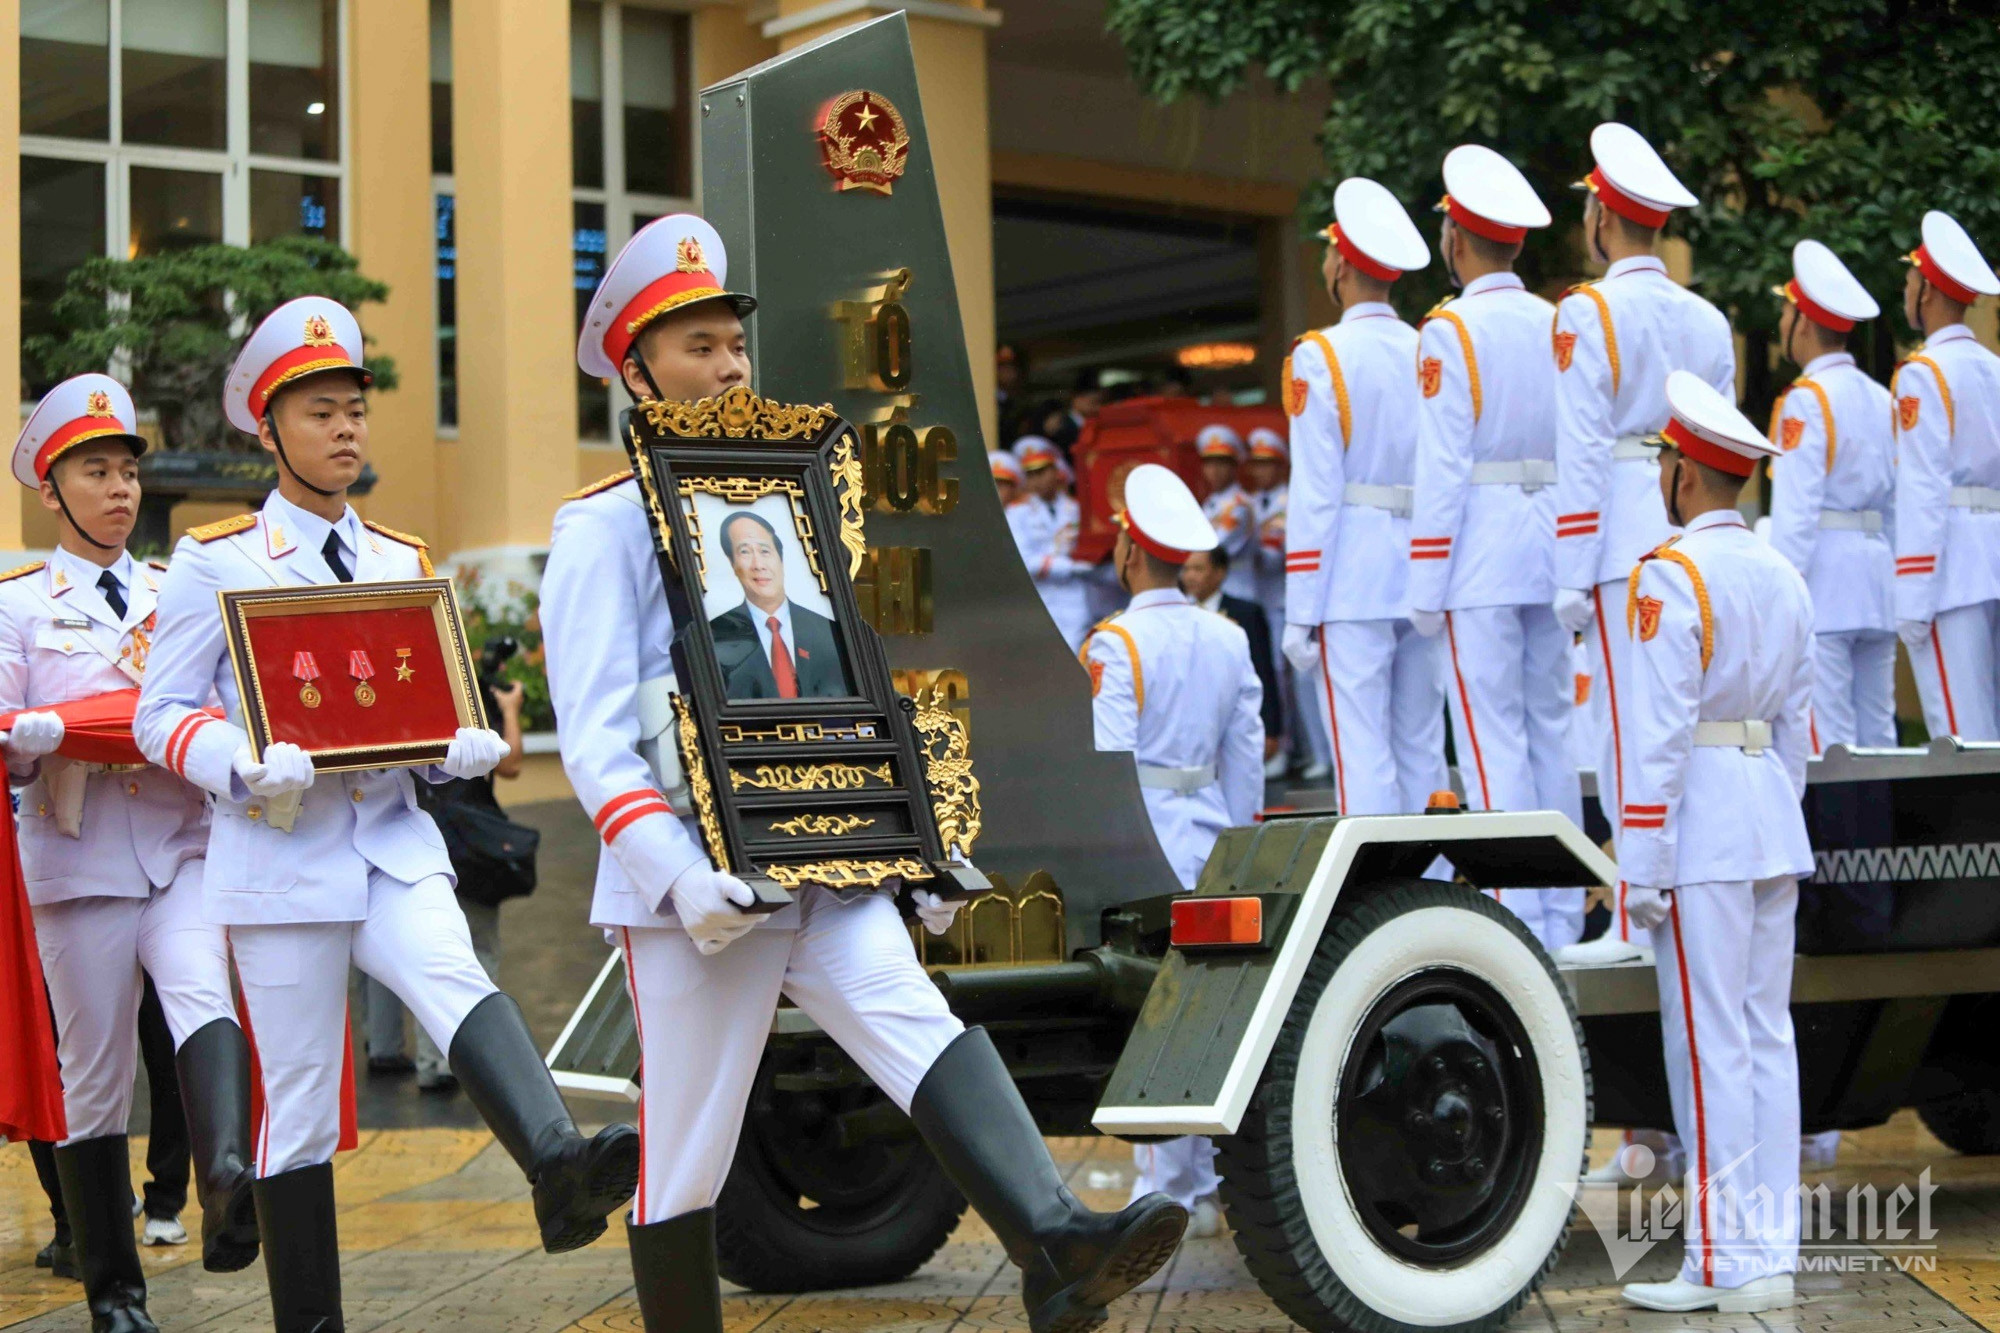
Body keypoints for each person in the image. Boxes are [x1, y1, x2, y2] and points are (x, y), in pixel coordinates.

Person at [550, 213, 1187, 1333]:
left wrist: (912, 844)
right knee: (688, 1147)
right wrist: (673, 871)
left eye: (732, 342)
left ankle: (1052, 1243)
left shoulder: (789, 513)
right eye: (695, 345)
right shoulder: (602, 531)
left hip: (824, 866)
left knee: (918, 1025)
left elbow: (840, 689)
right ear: (638, 375)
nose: (729, 365)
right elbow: (595, 737)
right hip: (699, 893)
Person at [135, 296, 638, 1331]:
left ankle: (555, 1161)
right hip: (281, 860)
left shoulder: (399, 558)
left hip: (390, 842)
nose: (347, 429)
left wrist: (458, 749)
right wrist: (239, 763)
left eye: (355, 409)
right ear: (268, 429)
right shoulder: (216, 559)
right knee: (305, 1103)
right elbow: (161, 715)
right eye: (321, 411)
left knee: (454, 977)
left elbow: (423, 699)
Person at [4, 372, 258, 1332]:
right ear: (51, 489)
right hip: (80, 867)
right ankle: (115, 1292)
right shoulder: (19, 604)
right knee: (97, 1076)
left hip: (180, 848)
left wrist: (73, 722)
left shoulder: (173, 591)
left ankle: (227, 1179)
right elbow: (7, 737)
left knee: (203, 995)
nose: (118, 490)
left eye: (125, 471)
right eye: (94, 471)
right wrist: (55, 732)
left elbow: (217, 707)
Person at [1616, 371, 1812, 1315]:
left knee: (1708, 1048)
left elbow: (1657, 737)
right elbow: (1798, 725)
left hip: (1701, 823)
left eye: (1664, 461)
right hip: (1771, 814)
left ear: (1684, 474)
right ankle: (1770, 1250)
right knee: (1767, 1038)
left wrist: (1638, 868)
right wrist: (1784, 810)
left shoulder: (1671, 572)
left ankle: (1717, 1261)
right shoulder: (1781, 570)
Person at [1548, 124, 1738, 968]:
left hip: (1622, 541)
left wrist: (1570, 571)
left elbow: (1583, 450)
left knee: (1629, 732)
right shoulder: (1707, 317)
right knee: (1688, 725)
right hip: (1694, 525)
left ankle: (1631, 913)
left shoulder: (1588, 312)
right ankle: (1678, 894)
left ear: (1599, 217)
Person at [1407, 145, 1585, 952]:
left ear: (1455, 239)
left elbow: (1442, 465)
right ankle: (1563, 906)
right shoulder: (1558, 321)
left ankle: (1518, 918)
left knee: (1490, 740)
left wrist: (1425, 577)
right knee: (1551, 727)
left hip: (1479, 550)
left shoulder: (1449, 330)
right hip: (1550, 543)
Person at [1082, 464, 1263, 1240]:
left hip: (1144, 830)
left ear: (1129, 551)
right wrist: (1242, 835)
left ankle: (1170, 1188)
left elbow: (1105, 758)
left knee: (1153, 1014)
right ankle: (1211, 1182)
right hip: (1213, 829)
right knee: (1213, 1012)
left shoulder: (1115, 642)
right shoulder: (1228, 634)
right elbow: (1246, 753)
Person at [1281, 177, 1449, 818]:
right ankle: (1430, 884)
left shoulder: (1320, 355)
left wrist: (1302, 609)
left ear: (1341, 264)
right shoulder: (1430, 347)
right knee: (1421, 743)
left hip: (1354, 569)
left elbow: (1317, 489)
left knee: (1362, 748)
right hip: (1425, 562)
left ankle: (1378, 892)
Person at [366, 671, 529, 1092]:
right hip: (460, 846)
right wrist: (509, 711)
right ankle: (442, 1063)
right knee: (466, 953)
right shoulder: (458, 697)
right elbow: (509, 762)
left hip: (396, 844)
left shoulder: (397, 695)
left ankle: (391, 1050)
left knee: (392, 965)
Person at [1768, 240, 1896, 752]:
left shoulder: (1807, 399)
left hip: (1826, 582)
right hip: (1876, 580)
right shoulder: (1882, 396)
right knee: (1881, 734)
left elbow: (1796, 511)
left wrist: (1779, 596)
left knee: (1829, 742)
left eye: (1784, 310)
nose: (1781, 323)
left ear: (1802, 322)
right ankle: (1890, 834)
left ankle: (1843, 836)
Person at [1894, 210, 2000, 739]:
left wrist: (1912, 595)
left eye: (1911, 277)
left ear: (1929, 291)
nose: (1906, 286)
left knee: (1963, 736)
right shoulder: (1993, 367)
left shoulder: (1923, 373)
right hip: (1993, 554)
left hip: (1951, 569)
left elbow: (1922, 487)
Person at [707, 510, 850, 699]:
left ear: (780, 558)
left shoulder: (829, 632)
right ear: (732, 563)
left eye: (765, 551)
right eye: (744, 552)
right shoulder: (714, 636)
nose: (758, 564)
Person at [1180, 546, 1283, 762]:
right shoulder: (1177, 615)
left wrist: (1271, 729)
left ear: (1220, 572)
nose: (1190, 576)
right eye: (1186, 569)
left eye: (1198, 569)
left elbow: (1263, 671)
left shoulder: (1246, 613)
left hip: (1235, 719)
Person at [1009, 436, 1094, 651]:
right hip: (1039, 597)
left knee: (1077, 656)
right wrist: (1070, 566)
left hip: (1076, 598)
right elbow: (1024, 562)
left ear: (1056, 472)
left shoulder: (1076, 508)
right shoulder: (1017, 513)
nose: (1037, 480)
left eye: (1042, 472)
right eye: (1030, 475)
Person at [1196, 426, 1257, 601]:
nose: (1214, 470)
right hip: (1212, 594)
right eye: (1209, 463)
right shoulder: (1209, 503)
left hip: (1236, 592)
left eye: (1221, 463)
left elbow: (1214, 547)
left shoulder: (1240, 505)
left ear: (1234, 466)